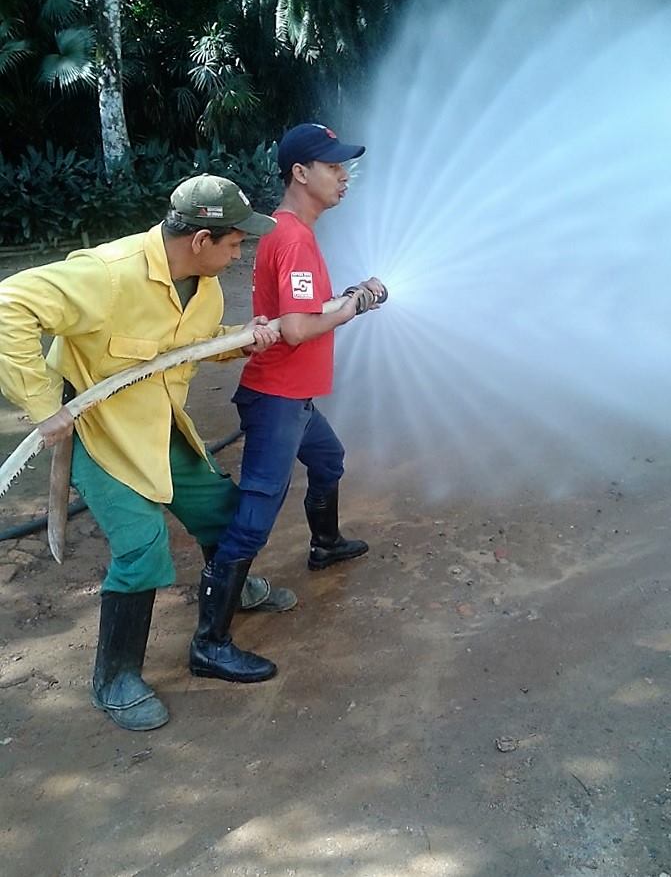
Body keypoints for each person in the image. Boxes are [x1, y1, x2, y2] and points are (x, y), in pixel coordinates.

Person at [0, 174, 296, 732]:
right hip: (101, 432)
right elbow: (9, 303)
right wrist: (43, 406)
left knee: (227, 514)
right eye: (234, 243)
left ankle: (227, 586)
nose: (240, 254)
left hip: (158, 424)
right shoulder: (109, 275)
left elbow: (180, 351)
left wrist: (239, 337)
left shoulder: (203, 288)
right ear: (202, 241)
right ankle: (114, 678)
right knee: (142, 546)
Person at [191, 123, 385, 682]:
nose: (344, 176)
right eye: (333, 166)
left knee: (328, 461)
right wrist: (355, 305)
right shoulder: (294, 236)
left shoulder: (288, 230)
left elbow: (295, 311)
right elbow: (298, 329)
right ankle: (210, 643)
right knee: (253, 520)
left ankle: (324, 544)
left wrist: (346, 297)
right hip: (277, 399)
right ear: (301, 173)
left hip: (290, 398)